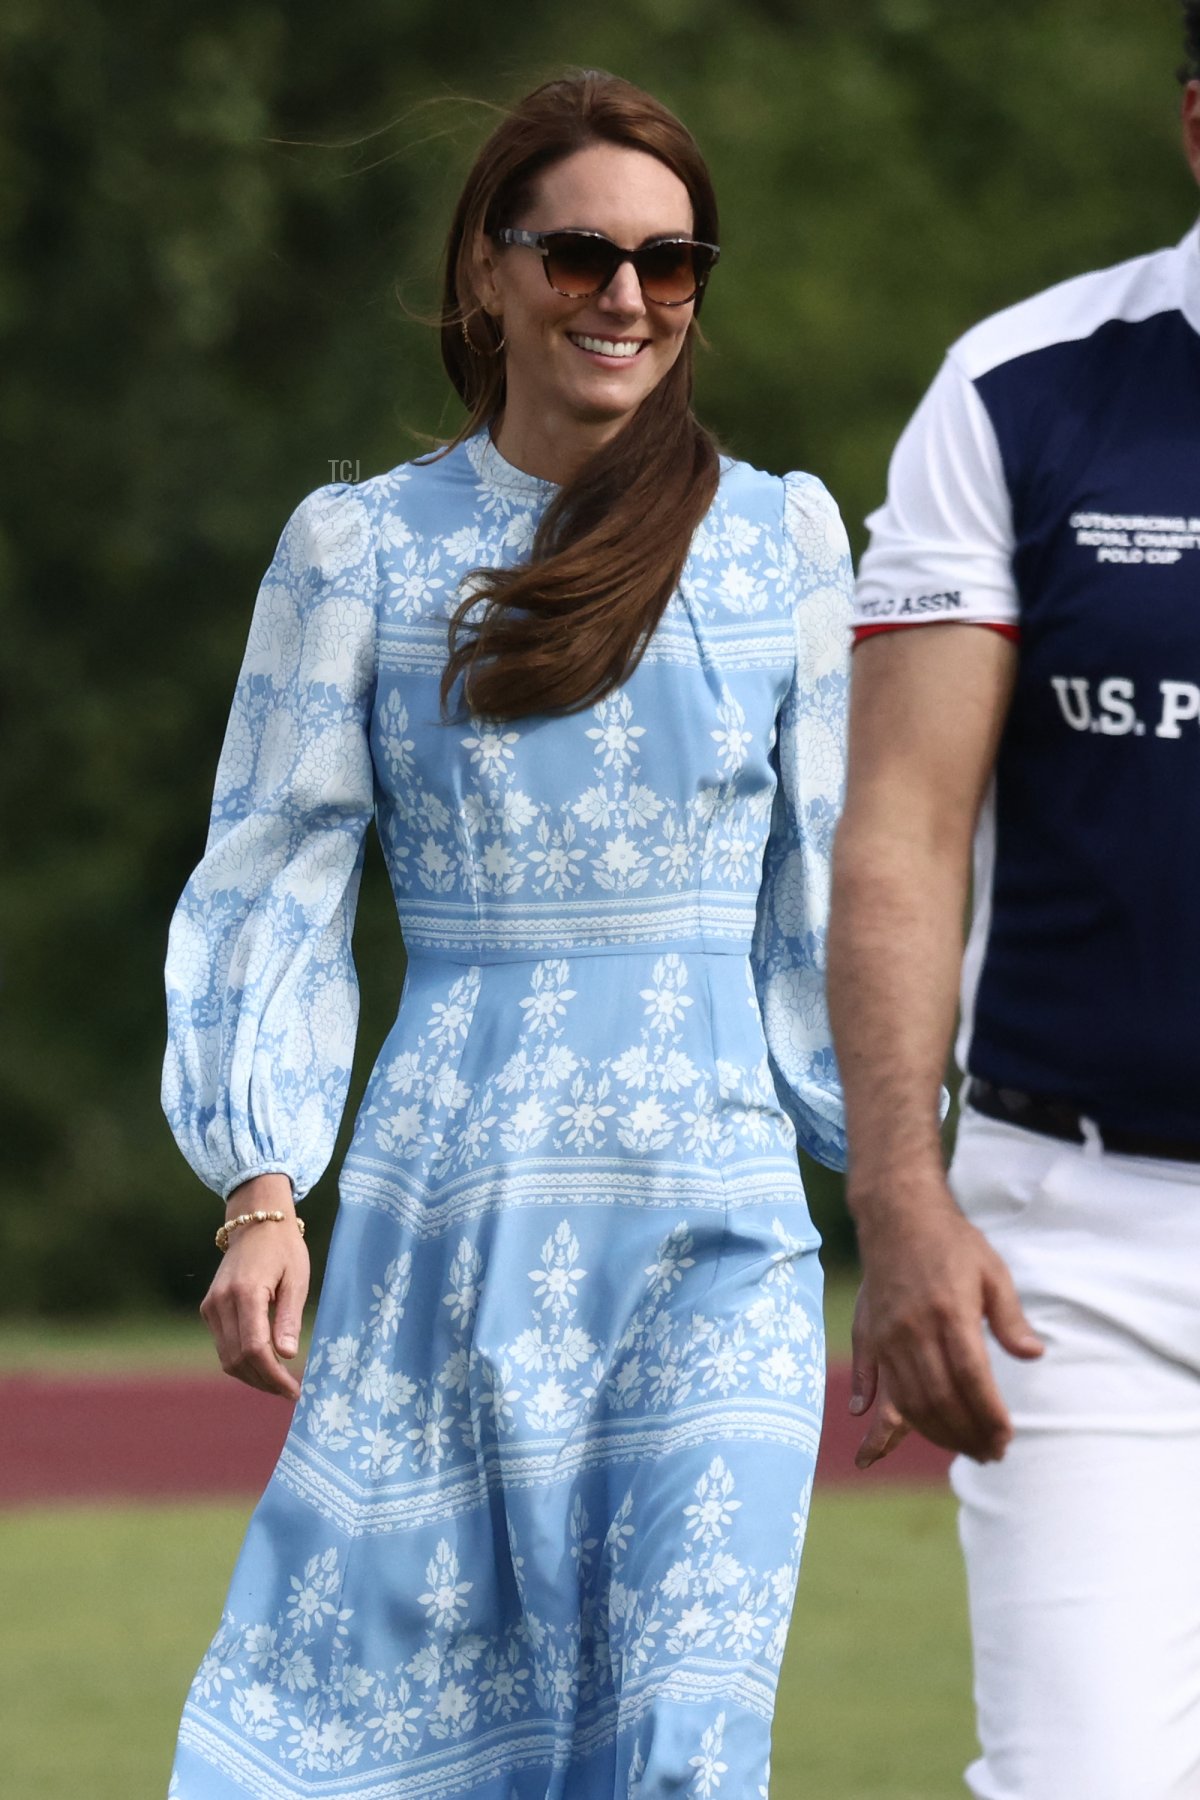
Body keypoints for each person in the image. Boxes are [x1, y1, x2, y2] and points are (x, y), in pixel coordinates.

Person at [162, 69, 852, 1799]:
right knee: (424, 1745)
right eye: (581, 256)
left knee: (689, 1741)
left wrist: (909, 1201)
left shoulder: (782, 542)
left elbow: (838, 906)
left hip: (719, 1228)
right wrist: (261, 1188)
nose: (627, 296)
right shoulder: (360, 552)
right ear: (488, 271)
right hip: (444, 1225)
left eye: (671, 263)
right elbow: (277, 876)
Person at [828, 10, 1200, 1798]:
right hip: (1084, 1249)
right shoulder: (1022, 388)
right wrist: (898, 1197)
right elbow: (901, 825)